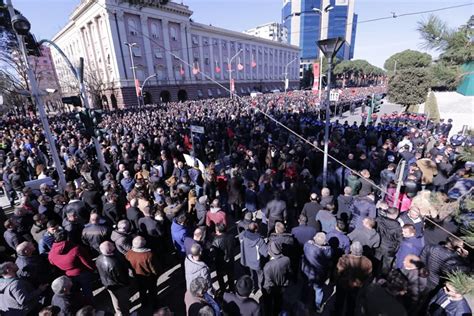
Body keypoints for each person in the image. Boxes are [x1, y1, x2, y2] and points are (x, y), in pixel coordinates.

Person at [48, 230, 95, 302]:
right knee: (87, 290)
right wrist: (93, 268)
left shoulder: (51, 253)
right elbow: (86, 262)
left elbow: (52, 262)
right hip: (82, 273)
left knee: (75, 292)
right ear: (67, 238)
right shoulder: (76, 248)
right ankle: (90, 303)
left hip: (68, 275)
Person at [335, 242, 373, 315]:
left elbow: (339, 271)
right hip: (357, 286)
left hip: (343, 284)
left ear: (351, 250)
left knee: (339, 301)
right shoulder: (368, 262)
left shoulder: (344, 258)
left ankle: (337, 313)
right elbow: (368, 276)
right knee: (351, 303)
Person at [96, 241, 130, 315]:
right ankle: (125, 313)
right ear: (110, 250)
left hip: (107, 283)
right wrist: (127, 283)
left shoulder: (99, 258)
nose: (114, 245)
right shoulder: (114, 263)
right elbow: (122, 277)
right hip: (118, 286)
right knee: (123, 301)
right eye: (112, 245)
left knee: (114, 299)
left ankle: (118, 312)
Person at [301, 232, 332, 312]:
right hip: (319, 275)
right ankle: (317, 306)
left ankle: (304, 301)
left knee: (305, 286)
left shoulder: (307, 245)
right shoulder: (328, 250)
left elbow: (305, 246)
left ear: (314, 238)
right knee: (318, 290)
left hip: (307, 272)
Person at [125, 236, 160, 305]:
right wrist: (156, 275)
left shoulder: (128, 253)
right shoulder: (148, 255)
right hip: (149, 278)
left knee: (142, 291)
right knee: (152, 291)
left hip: (137, 277)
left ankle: (144, 303)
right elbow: (154, 269)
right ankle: (155, 304)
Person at [262, 241, 292, 316]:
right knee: (278, 302)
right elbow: (288, 273)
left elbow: (268, 283)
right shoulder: (287, 259)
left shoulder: (267, 266)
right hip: (281, 287)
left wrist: (267, 291)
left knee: (268, 304)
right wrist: (285, 285)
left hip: (272, 289)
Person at [239, 222, 268, 292]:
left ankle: (252, 289)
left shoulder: (242, 234)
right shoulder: (259, 240)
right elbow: (265, 253)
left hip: (245, 260)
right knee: (260, 276)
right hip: (256, 263)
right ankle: (261, 288)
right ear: (256, 230)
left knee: (250, 276)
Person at [211, 223, 235, 291]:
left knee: (220, 276)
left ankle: (223, 290)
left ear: (217, 231)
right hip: (230, 259)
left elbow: (214, 253)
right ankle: (232, 288)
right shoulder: (231, 236)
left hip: (220, 261)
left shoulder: (216, 240)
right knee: (230, 275)